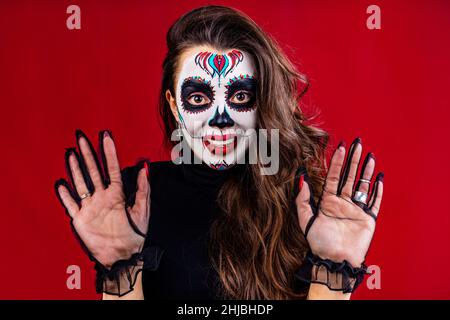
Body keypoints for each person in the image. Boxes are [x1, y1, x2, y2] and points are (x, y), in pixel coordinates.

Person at [54, 5, 384, 300]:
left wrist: (335, 268)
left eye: (240, 96)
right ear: (174, 104)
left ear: (263, 102)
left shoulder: (307, 203)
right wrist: (119, 266)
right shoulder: (132, 199)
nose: (221, 119)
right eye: (198, 99)